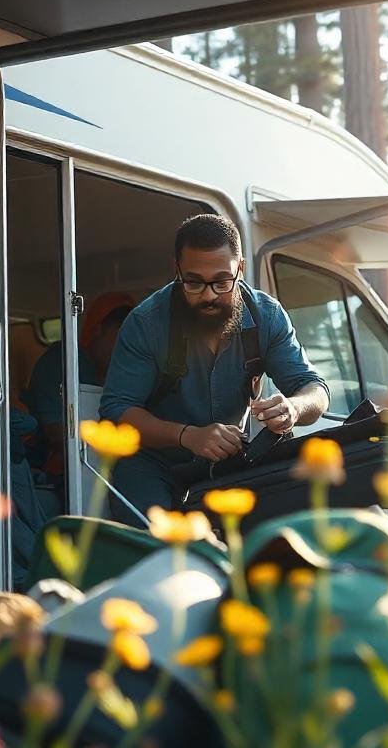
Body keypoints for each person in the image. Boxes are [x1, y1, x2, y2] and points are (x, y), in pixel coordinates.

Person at [100, 214, 330, 527]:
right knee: (157, 555)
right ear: (176, 269)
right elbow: (116, 411)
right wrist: (186, 436)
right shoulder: (146, 323)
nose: (208, 295)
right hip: (151, 465)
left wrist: (293, 407)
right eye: (194, 282)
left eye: (222, 281)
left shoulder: (267, 316)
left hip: (229, 464)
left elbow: (314, 388)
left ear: (241, 269)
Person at [23, 291, 134, 472]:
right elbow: (58, 434)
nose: (125, 345)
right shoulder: (62, 361)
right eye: (119, 334)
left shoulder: (126, 371)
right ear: (98, 330)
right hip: (52, 469)